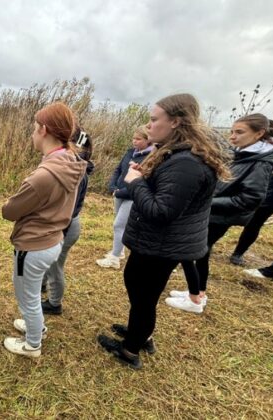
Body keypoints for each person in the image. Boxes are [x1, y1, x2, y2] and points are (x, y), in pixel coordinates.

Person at [97, 93, 229, 369]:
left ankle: (131, 350)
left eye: (154, 119)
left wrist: (135, 183)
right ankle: (139, 334)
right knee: (143, 294)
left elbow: (162, 211)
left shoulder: (186, 163)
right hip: (161, 243)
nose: (149, 125)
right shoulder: (179, 154)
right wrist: (143, 177)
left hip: (161, 245)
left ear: (175, 122)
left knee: (143, 296)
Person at [166, 113, 273, 313]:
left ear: (259, 133)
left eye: (239, 132)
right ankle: (197, 292)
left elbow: (251, 198)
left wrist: (210, 201)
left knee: (198, 251)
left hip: (221, 215)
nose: (233, 136)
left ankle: (196, 299)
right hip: (213, 211)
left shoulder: (260, 162)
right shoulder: (244, 153)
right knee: (199, 253)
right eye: (232, 131)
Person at [1, 102, 86, 358]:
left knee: (27, 296)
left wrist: (10, 202)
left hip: (33, 245)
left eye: (34, 128)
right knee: (32, 292)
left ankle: (32, 343)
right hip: (53, 239)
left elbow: (9, 212)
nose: (32, 133)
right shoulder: (69, 160)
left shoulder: (44, 175)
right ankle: (34, 325)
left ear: (44, 130)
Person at [41, 126, 94, 315]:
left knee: (56, 266)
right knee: (51, 261)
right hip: (66, 224)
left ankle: (55, 303)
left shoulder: (76, 173)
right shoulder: (76, 168)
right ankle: (43, 285)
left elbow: (68, 209)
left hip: (67, 226)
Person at [229, 128, 273, 265]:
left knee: (253, 226)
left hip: (268, 201)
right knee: (227, 219)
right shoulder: (264, 152)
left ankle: (238, 253)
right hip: (247, 193)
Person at [96, 126, 154, 269]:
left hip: (132, 197)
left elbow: (143, 181)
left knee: (119, 225)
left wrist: (120, 192)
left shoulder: (150, 158)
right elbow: (118, 170)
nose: (134, 141)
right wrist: (112, 186)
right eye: (133, 138)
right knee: (118, 223)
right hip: (119, 194)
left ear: (148, 140)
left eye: (138, 139)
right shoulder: (130, 152)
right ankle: (119, 251)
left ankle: (114, 259)